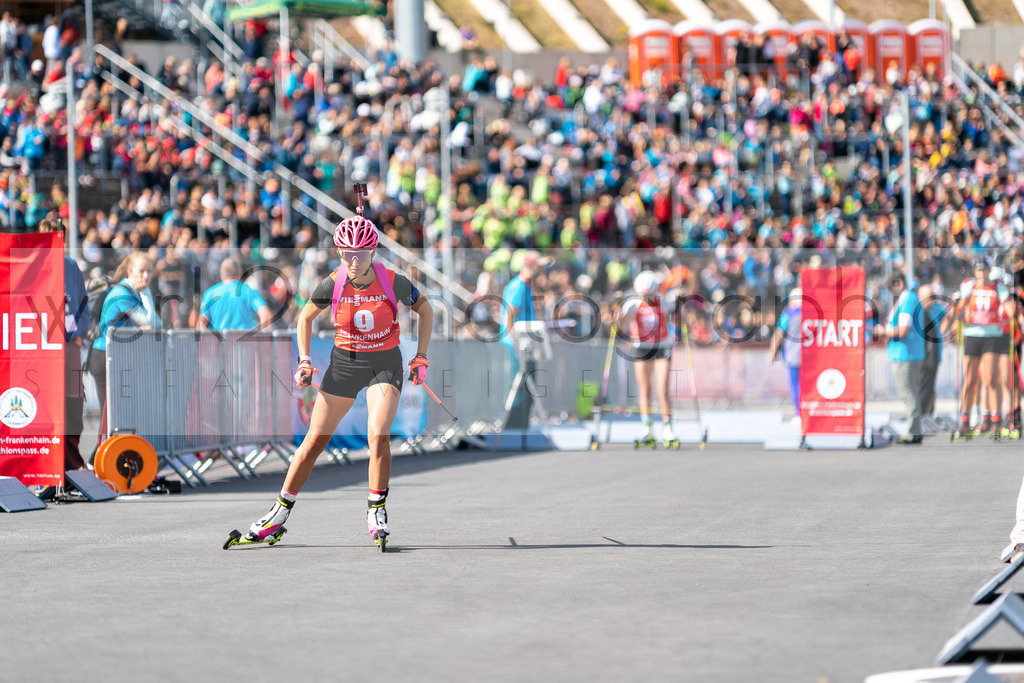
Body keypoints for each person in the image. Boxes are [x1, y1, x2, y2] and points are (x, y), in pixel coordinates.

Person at [236, 212, 433, 549]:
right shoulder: (333, 283)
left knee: (379, 435)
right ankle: (278, 513)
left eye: (362, 254)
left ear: (373, 252)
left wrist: (421, 355)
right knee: (313, 443)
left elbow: (425, 310)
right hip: (345, 363)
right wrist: (305, 359)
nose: (354, 261)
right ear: (340, 253)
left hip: (384, 362)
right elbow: (304, 319)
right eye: (348, 254)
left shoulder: (391, 279)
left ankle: (376, 509)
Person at [90, 253, 161, 459]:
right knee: (109, 414)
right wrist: (147, 295)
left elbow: (154, 324)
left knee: (116, 413)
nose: (146, 276)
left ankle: (106, 459)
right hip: (104, 357)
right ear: (129, 271)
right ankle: (96, 461)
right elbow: (150, 322)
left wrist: (146, 295)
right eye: (141, 271)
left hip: (116, 357)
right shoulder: (122, 294)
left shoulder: (134, 293)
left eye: (149, 271)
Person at [40, 218, 90, 471]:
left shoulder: (71, 267)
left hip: (69, 346)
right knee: (46, 405)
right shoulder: (33, 265)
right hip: (41, 348)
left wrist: (80, 332)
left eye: (59, 236)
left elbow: (83, 304)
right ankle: (46, 461)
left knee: (73, 405)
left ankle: (71, 463)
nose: (55, 241)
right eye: (50, 236)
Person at [950, 262, 1011, 435]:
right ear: (975, 272)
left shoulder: (997, 288)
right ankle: (965, 418)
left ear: (988, 271)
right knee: (969, 380)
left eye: (983, 270)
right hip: (972, 335)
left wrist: (1013, 310)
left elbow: (1008, 307)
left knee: (990, 378)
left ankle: (995, 418)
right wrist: (956, 314)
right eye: (978, 270)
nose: (981, 274)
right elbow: (960, 307)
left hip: (991, 336)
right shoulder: (969, 287)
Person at [619, 270, 675, 445]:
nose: (647, 298)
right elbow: (622, 324)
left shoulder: (663, 301)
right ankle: (647, 428)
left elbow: (677, 313)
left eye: (650, 294)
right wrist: (621, 315)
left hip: (661, 346)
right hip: (642, 347)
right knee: (645, 389)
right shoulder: (633, 303)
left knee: (662, 389)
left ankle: (668, 427)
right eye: (644, 295)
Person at [875, 274, 926, 444]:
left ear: (899, 283)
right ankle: (915, 429)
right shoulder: (907, 299)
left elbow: (903, 329)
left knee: (908, 393)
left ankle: (913, 431)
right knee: (910, 392)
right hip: (906, 352)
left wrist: (884, 332)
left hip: (906, 353)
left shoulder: (908, 299)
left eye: (891, 286)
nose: (889, 291)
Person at [500, 252, 543, 430]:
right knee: (520, 385)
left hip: (526, 343)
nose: (541, 270)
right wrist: (516, 341)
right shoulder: (518, 286)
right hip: (519, 344)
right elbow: (510, 315)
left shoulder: (527, 286)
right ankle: (513, 427)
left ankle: (522, 426)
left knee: (528, 385)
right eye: (538, 265)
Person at [197, 257, 272, 331]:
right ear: (239, 274)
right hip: (244, 341)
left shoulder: (210, 293)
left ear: (221, 274)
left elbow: (201, 323)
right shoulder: (248, 291)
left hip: (219, 341)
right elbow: (265, 314)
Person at [769, 287, 802, 420]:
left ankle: (799, 414)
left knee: (795, 386)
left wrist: (772, 351)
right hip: (809, 357)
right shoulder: (810, 312)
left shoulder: (788, 313)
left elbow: (779, 332)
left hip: (793, 356)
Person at [917, 284, 947, 417]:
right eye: (927, 297)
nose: (930, 301)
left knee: (929, 386)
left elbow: (946, 318)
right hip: (920, 355)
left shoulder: (935, 308)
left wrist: (942, 332)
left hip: (933, 354)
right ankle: (922, 414)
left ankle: (928, 414)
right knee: (921, 386)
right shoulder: (917, 310)